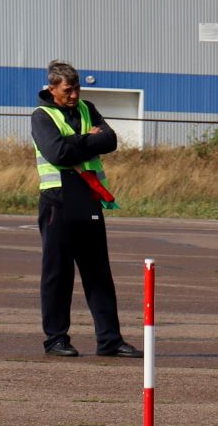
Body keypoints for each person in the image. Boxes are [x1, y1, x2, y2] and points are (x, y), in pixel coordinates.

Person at [31, 61, 138, 357]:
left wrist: (85, 141)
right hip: (57, 202)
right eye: (68, 90)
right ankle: (56, 339)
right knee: (58, 275)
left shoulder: (88, 108)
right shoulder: (42, 116)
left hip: (89, 198)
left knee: (98, 273)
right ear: (52, 89)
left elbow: (111, 140)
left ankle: (110, 340)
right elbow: (57, 153)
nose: (75, 95)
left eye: (77, 88)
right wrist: (90, 139)